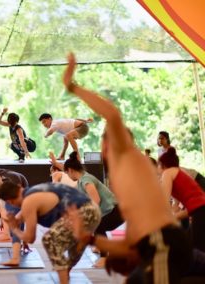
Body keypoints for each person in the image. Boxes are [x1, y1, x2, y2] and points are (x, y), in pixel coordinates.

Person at [63, 52, 191, 283]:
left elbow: (112, 114)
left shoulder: (128, 156)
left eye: (105, 141)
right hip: (155, 244)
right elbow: (126, 245)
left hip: (163, 242)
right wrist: (87, 238)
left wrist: (72, 87)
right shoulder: (125, 180)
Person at [0, 182, 100, 284]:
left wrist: (15, 229)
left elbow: (30, 238)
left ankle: (64, 281)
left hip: (82, 213)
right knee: (74, 245)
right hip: (94, 210)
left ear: (9, 201)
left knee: (49, 240)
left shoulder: (28, 202)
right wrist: (15, 221)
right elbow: (20, 216)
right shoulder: (34, 190)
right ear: (19, 187)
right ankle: (66, 273)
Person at [64, 151, 124, 267]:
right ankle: (99, 247)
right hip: (113, 210)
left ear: (70, 170)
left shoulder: (86, 181)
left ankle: (104, 258)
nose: (67, 176)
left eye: (67, 173)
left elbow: (96, 200)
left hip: (117, 211)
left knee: (97, 224)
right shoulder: (83, 178)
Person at [158, 147, 205, 253]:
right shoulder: (176, 173)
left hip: (201, 210)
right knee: (187, 242)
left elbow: (164, 202)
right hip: (200, 209)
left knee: (196, 248)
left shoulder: (167, 173)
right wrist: (172, 218)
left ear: (162, 165)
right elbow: (176, 206)